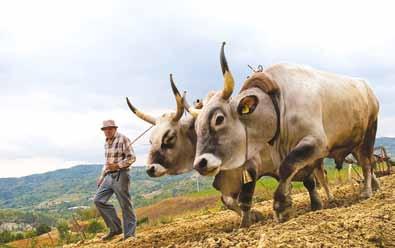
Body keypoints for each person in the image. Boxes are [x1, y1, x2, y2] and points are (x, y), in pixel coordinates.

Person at [94, 119, 137, 241]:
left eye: (109, 129)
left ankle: (130, 236)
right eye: (105, 129)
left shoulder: (123, 139)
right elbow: (107, 162)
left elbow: (132, 158)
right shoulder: (106, 142)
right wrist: (102, 176)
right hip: (108, 176)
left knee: (125, 205)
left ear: (115, 129)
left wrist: (117, 165)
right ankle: (115, 229)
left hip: (121, 174)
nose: (107, 131)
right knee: (98, 200)